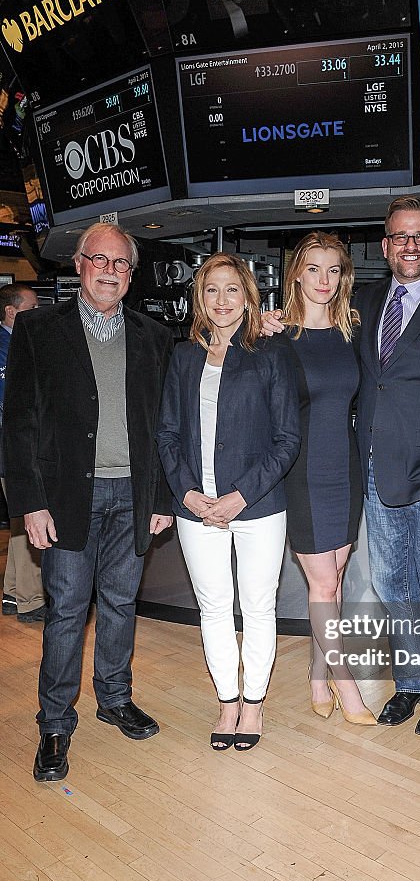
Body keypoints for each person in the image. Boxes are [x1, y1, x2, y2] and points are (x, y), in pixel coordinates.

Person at [265, 197, 420, 737]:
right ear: (386, 246)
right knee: (394, 584)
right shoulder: (362, 305)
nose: (409, 245)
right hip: (370, 470)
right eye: (399, 237)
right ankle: (411, 681)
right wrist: (269, 318)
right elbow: (318, 345)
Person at [3, 224, 174, 782]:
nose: (108, 270)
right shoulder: (37, 329)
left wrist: (163, 495)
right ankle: (55, 722)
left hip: (133, 493)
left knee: (122, 604)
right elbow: (20, 423)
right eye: (97, 259)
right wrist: (30, 501)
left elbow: (165, 428)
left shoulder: (154, 336)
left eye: (120, 263)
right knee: (68, 610)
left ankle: (114, 698)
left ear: (131, 273)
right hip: (66, 497)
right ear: (77, 265)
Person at [157, 253, 300, 752]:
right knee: (213, 608)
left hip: (256, 506)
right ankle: (227, 701)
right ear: (200, 297)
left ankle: (254, 704)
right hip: (196, 508)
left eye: (232, 290)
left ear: (249, 296)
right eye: (212, 290)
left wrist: (240, 496)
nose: (222, 300)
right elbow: (168, 433)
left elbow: (287, 439)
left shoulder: (271, 352)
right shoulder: (183, 356)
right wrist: (187, 492)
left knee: (259, 608)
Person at [279, 232, 375, 725]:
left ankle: (318, 677)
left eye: (333, 269)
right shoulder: (276, 336)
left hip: (347, 465)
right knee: (322, 583)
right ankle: (347, 686)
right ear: (296, 273)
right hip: (304, 471)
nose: (324, 279)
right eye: (313, 268)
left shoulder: (350, 332)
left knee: (334, 577)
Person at [0, 283, 46, 623]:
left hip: (9, 450)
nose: (40, 311)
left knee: (19, 521)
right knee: (32, 514)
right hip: (12, 450)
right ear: (12, 312)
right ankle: (31, 601)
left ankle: (13, 593)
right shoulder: (9, 349)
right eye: (33, 306)